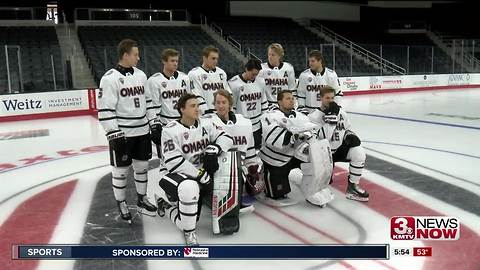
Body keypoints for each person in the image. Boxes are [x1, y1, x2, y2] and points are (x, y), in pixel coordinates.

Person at [156, 93, 234, 245]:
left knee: (228, 167)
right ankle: (188, 232)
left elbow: (227, 137)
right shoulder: (170, 130)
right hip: (174, 174)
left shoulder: (206, 123)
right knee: (189, 189)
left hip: (200, 173)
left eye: (198, 105)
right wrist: (199, 174)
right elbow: (173, 162)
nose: (197, 109)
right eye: (192, 106)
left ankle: (167, 206)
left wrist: (215, 148)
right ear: (182, 109)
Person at [97, 39, 158, 224]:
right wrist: (113, 133)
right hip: (123, 134)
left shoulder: (141, 75)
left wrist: (153, 122)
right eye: (135, 54)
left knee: (142, 167)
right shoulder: (109, 78)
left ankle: (141, 198)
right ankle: (121, 202)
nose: (138, 58)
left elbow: (148, 101)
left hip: (142, 132)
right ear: (125, 55)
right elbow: (105, 108)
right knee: (120, 171)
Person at [308, 86, 369, 202]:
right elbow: (322, 138)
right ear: (320, 98)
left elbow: (347, 128)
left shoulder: (341, 112)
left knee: (358, 152)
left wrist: (350, 136)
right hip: (323, 154)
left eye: (332, 98)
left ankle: (352, 187)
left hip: (338, 149)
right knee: (323, 185)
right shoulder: (314, 117)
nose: (330, 101)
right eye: (327, 98)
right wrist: (330, 119)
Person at [209, 89, 265, 208]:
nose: (220, 105)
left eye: (224, 102)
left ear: (230, 104)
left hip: (238, 165)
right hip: (217, 168)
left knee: (255, 183)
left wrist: (252, 167)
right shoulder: (209, 123)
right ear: (214, 104)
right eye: (217, 102)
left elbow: (249, 147)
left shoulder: (244, 122)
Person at [228, 58, 268, 149]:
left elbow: (263, 102)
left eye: (256, 74)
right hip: (242, 124)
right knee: (242, 150)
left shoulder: (261, 82)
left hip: (257, 125)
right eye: (252, 74)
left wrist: (264, 120)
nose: (254, 76)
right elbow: (232, 107)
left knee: (257, 150)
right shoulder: (233, 83)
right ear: (246, 69)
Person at [188, 45, 231, 114]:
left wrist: (229, 109)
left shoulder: (221, 73)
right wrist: (206, 111)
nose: (216, 61)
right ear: (204, 58)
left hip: (221, 112)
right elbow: (196, 95)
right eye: (213, 58)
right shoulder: (194, 74)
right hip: (204, 114)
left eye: (217, 59)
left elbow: (227, 93)